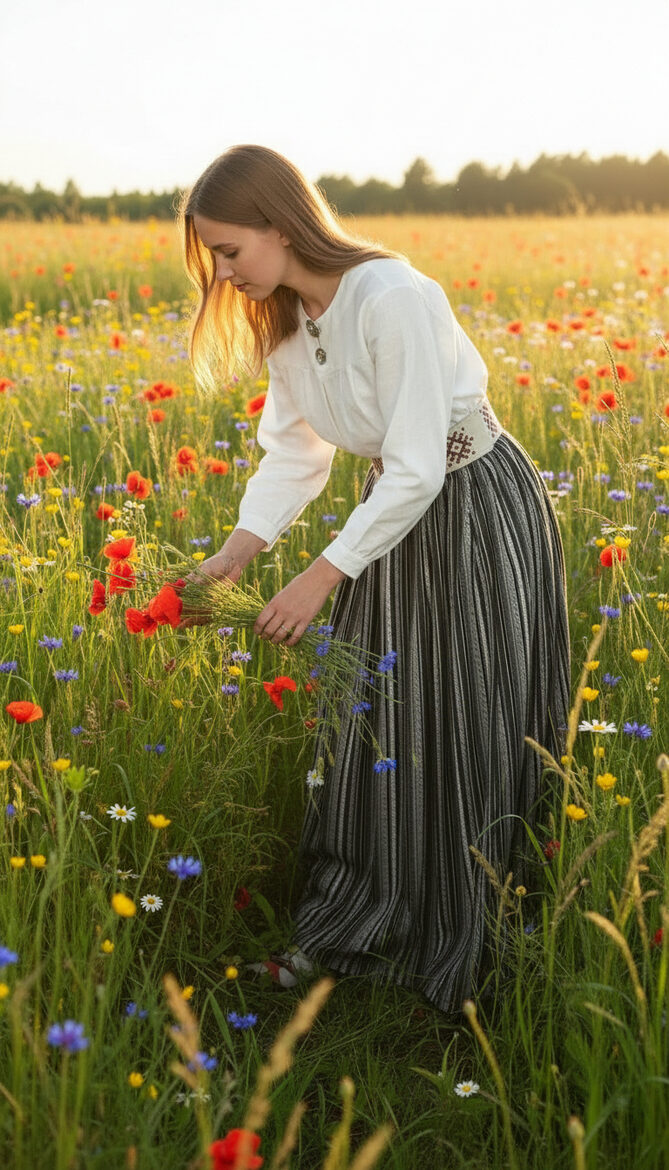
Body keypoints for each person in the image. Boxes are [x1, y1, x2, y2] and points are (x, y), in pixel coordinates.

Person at [177, 144, 571, 1014]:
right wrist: (230, 559)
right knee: (377, 724)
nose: (225, 273)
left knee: (463, 716)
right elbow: (293, 454)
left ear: (280, 226)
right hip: (390, 520)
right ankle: (357, 923)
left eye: (231, 250)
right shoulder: (286, 318)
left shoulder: (391, 296)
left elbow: (421, 467)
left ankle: (469, 936)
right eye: (214, 258)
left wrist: (318, 576)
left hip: (472, 507)